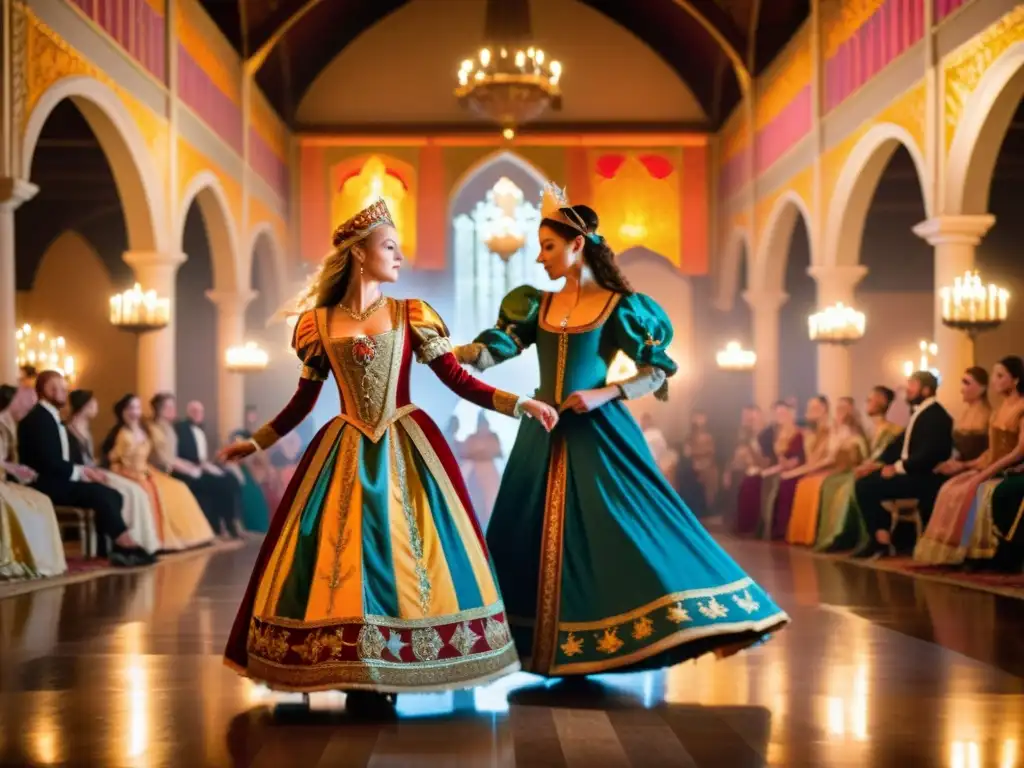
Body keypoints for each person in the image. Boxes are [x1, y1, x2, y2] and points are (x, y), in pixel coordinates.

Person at [218, 199, 558, 710]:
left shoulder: (410, 314)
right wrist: (258, 440)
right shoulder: (317, 324)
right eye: (389, 247)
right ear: (360, 255)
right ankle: (350, 663)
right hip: (343, 446)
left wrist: (518, 403)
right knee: (342, 556)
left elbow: (457, 379)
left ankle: (399, 664)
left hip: (405, 445)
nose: (399, 257)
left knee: (407, 553)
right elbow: (303, 400)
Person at [455, 185, 787, 678]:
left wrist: (602, 393)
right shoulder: (534, 305)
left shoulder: (623, 307)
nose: (540, 258)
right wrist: (447, 349)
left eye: (548, 246)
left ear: (578, 245)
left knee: (626, 530)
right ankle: (530, 646)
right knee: (524, 534)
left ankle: (666, 623)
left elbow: (656, 370)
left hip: (599, 432)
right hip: (542, 433)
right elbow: (493, 350)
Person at [17, 371, 153, 567]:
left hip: (59, 478)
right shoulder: (38, 419)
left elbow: (59, 460)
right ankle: (124, 544)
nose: (65, 392)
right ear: (48, 390)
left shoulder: (51, 417)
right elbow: (49, 463)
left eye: (65, 388)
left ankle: (107, 548)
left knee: (115, 495)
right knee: (102, 495)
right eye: (61, 388)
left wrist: (83, 471)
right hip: (46, 483)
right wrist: (82, 472)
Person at [915, 358, 1024, 566]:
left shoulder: (1021, 408)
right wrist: (968, 467)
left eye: (1000, 376)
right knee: (951, 488)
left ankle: (988, 552)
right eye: (994, 375)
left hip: (1014, 468)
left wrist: (985, 472)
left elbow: (1019, 450)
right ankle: (961, 551)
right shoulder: (1000, 410)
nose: (994, 381)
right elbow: (992, 451)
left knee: (977, 490)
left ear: (1016, 380)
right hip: (995, 465)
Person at [853, 371, 954, 558]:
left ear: (926, 390)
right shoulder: (920, 413)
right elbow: (898, 446)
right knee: (865, 482)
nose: (907, 389)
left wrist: (897, 468)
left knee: (867, 486)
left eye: (912, 385)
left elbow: (930, 455)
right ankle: (881, 539)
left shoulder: (937, 415)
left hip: (926, 477)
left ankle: (880, 541)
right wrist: (876, 464)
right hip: (912, 473)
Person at [101, 394, 215, 551]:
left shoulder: (144, 429)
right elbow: (113, 457)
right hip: (129, 472)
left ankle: (190, 535)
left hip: (147, 470)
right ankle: (154, 539)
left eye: (137, 408)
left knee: (179, 487)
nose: (135, 412)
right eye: (131, 408)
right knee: (158, 490)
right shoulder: (122, 432)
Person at [65, 389, 162, 555]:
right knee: (128, 490)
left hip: (95, 470)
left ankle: (143, 541)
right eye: (93, 403)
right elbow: (75, 460)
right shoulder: (69, 429)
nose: (97, 406)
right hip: (84, 474)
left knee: (137, 491)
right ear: (85, 406)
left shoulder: (86, 429)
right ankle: (125, 541)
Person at [815, 386, 902, 552]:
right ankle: (836, 535)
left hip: (876, 471)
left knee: (848, 486)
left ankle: (850, 536)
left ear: (882, 402)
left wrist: (866, 466)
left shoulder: (893, 430)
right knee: (830, 483)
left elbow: (883, 457)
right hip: (863, 468)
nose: (866, 403)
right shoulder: (869, 430)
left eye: (870, 400)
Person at [149, 393, 239, 540]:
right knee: (208, 483)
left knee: (226, 480)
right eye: (169, 407)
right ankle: (214, 527)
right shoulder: (156, 429)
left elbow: (175, 457)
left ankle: (227, 524)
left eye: (173, 406)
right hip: (164, 471)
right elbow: (165, 459)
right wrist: (191, 469)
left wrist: (194, 467)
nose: (173, 410)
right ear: (160, 409)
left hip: (179, 467)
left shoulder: (169, 428)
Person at [0, 384, 66, 577]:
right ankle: (16, 559)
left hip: (5, 482)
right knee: (20, 505)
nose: (26, 411)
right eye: (23, 405)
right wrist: (12, 468)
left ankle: (43, 561)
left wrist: (18, 469)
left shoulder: (10, 424)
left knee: (41, 501)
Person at [787, 396, 868, 546]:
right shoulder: (834, 433)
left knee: (822, 485)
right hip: (835, 468)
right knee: (805, 483)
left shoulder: (855, 433)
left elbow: (860, 456)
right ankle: (804, 535)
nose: (840, 412)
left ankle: (833, 535)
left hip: (849, 471)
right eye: (838, 409)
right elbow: (826, 458)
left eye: (843, 409)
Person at [733, 401, 803, 537]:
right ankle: (749, 527)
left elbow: (793, 461)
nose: (780, 416)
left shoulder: (797, 434)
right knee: (749, 480)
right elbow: (768, 458)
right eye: (777, 413)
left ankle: (772, 529)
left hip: (790, 471)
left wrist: (768, 471)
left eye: (783, 413)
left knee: (766, 483)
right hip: (775, 468)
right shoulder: (772, 433)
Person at [176, 401, 244, 538]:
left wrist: (211, 466)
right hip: (190, 471)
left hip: (204, 468)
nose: (198, 414)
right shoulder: (181, 429)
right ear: (188, 413)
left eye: (200, 411)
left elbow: (205, 457)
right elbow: (182, 455)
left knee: (231, 479)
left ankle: (231, 522)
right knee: (222, 483)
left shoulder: (202, 432)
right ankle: (225, 525)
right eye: (194, 411)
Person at [771, 396, 831, 541]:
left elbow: (818, 460)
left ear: (824, 410)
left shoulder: (828, 431)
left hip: (825, 469)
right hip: (808, 468)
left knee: (799, 483)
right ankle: (786, 531)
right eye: (809, 408)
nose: (808, 411)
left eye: (813, 408)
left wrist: (793, 472)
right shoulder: (808, 433)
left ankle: (799, 533)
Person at [228, 405, 272, 533]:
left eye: (253, 416)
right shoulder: (239, 435)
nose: (251, 419)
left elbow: (263, 457)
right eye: (249, 416)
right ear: (244, 417)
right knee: (249, 492)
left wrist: (265, 469)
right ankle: (247, 526)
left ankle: (260, 528)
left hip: (257, 472)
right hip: (243, 470)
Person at [461, 411, 503, 530]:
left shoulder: (493, 436)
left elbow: (498, 452)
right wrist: (478, 454)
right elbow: (465, 453)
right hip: (475, 473)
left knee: (491, 499)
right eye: (481, 424)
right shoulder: (472, 437)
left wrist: (484, 453)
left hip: (490, 472)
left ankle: (492, 527)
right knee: (476, 499)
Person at [683, 410, 718, 510]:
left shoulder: (709, 437)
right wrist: (700, 453)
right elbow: (687, 453)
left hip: (707, 465)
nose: (699, 423)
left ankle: (709, 506)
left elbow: (711, 452)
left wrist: (702, 454)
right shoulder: (689, 438)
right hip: (693, 465)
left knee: (712, 474)